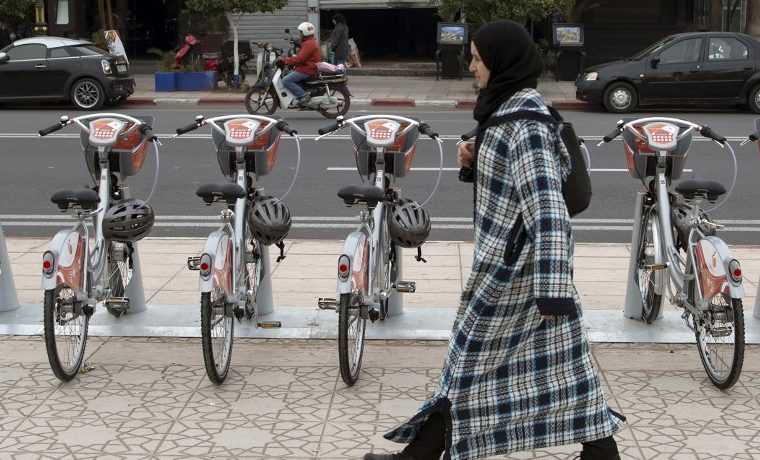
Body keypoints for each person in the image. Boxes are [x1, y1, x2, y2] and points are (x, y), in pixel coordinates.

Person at [363, 19, 625, 460]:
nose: (471, 65)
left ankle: (420, 456)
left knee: (465, 369)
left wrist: (553, 291)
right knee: (566, 373)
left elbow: (548, 211)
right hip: (515, 269)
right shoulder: (510, 109)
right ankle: (601, 453)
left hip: (515, 278)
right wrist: (478, 153)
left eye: (478, 58)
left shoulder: (524, 123)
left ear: (501, 62)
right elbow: (511, 181)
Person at [280, 21, 320, 107]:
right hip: (305, 67)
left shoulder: (309, 44)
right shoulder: (309, 42)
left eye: (301, 32)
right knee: (286, 74)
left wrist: (285, 60)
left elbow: (300, 59)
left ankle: (303, 95)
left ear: (305, 32)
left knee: (286, 80)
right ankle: (301, 92)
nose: (300, 34)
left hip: (307, 69)